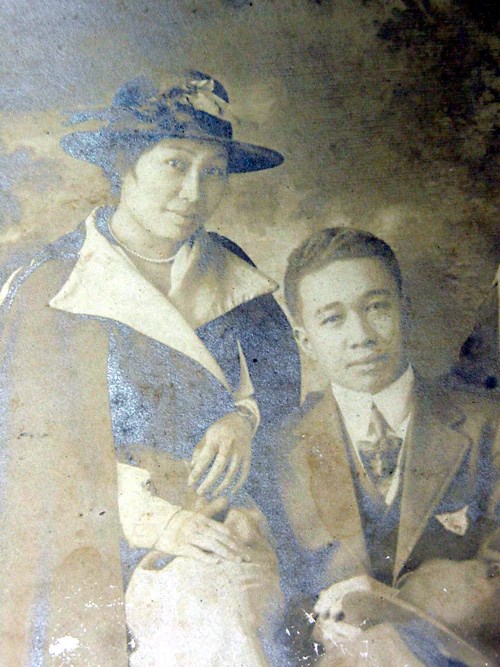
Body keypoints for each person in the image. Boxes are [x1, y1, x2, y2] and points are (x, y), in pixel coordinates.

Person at [0, 72, 300, 665]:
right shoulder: (52, 289)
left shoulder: (234, 270)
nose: (194, 191)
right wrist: (161, 524)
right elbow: (37, 456)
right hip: (98, 541)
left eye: (212, 171)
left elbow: (282, 387)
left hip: (230, 522)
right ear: (122, 162)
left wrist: (244, 417)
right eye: (175, 164)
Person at [278, 227, 499, 665]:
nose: (360, 335)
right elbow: (278, 596)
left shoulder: (485, 423)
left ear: (406, 310)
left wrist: (401, 608)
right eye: (332, 318)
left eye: (376, 307)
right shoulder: (280, 447)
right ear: (306, 340)